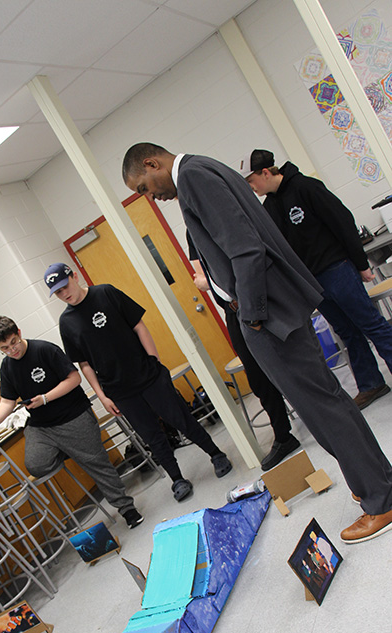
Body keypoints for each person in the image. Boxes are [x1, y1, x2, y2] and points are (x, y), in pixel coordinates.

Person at [121, 142, 392, 543]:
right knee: (327, 400)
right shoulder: (206, 166)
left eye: (144, 186)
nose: (150, 197)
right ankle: (377, 480)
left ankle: (380, 500)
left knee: (322, 408)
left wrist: (250, 313)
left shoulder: (193, 177)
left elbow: (246, 249)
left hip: (267, 313)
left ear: (151, 163)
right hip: (275, 306)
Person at [45, 262, 232, 503]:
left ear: (75, 276)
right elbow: (84, 364)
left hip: (148, 374)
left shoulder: (106, 293)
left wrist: (154, 361)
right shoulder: (66, 322)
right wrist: (102, 396)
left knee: (180, 418)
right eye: (58, 293)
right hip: (119, 389)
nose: (64, 294)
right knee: (151, 435)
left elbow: (138, 326)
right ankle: (177, 479)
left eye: (65, 286)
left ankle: (216, 454)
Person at [241, 149, 392, 410]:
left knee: (370, 323)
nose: (252, 188)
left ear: (265, 173)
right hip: (313, 283)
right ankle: (371, 384)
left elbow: (342, 221)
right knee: (347, 332)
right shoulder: (269, 208)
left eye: (252, 181)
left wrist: (360, 263)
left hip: (337, 268)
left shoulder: (306, 187)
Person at [0, 316, 143, 529]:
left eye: (14, 343)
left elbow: (74, 379)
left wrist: (45, 398)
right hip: (42, 427)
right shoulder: (7, 366)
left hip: (73, 416)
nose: (13, 350)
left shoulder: (45, 350)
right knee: (36, 464)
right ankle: (71, 449)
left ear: (19, 332)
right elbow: (7, 400)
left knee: (98, 465)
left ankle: (127, 510)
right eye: (5, 348)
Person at [187, 230, 299, 471]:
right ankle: (284, 435)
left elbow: (211, 276)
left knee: (291, 359)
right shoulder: (192, 232)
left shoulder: (219, 217)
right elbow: (200, 275)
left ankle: (318, 414)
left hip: (259, 299)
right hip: (233, 311)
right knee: (258, 379)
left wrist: (208, 280)